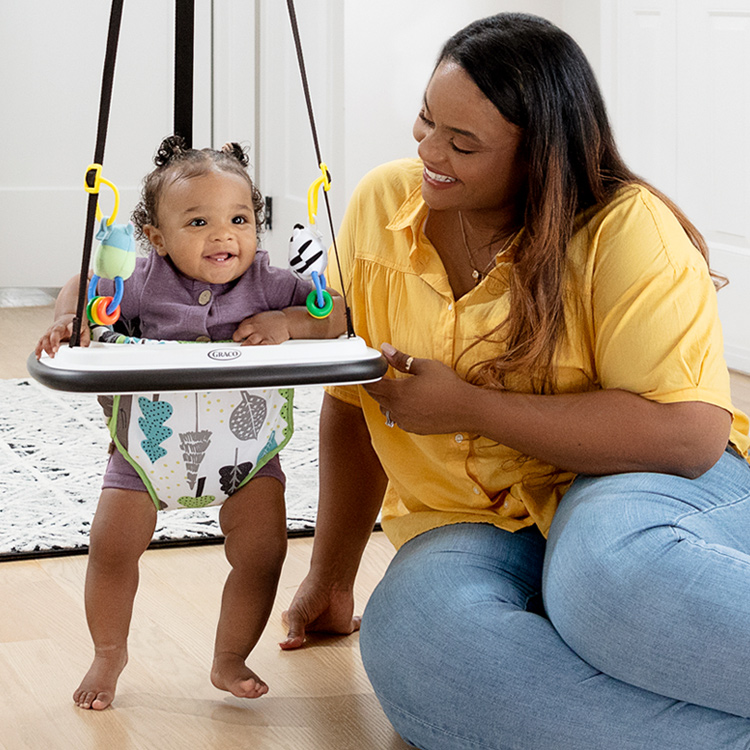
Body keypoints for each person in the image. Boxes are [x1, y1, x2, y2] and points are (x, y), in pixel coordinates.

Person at [278, 12, 750, 749]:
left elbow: (690, 438)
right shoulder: (381, 204)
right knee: (418, 644)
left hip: (639, 484)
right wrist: (331, 580)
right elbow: (352, 402)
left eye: (463, 144)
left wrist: (468, 407)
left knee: (604, 580)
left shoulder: (626, 228)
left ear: (540, 158)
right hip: (471, 524)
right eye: (426, 123)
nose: (430, 153)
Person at [35, 136, 345, 710]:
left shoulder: (269, 283)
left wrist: (289, 321)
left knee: (263, 551)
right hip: (148, 452)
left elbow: (337, 314)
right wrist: (68, 321)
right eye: (198, 221)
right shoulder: (143, 278)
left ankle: (230, 658)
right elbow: (83, 288)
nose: (223, 235)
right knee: (110, 548)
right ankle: (108, 651)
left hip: (247, 454)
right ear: (155, 237)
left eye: (239, 218)